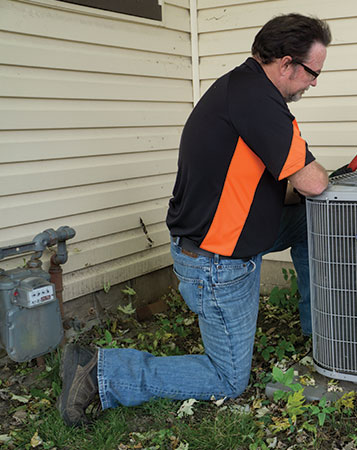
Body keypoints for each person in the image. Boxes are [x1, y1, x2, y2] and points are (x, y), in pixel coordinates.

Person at [58, 13, 331, 427]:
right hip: (216, 258)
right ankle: (103, 370)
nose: (314, 83)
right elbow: (312, 182)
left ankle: (321, 331)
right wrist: (326, 178)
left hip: (230, 233)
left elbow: (273, 183)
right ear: (287, 63)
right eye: (312, 73)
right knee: (227, 379)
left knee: (313, 225)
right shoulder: (258, 101)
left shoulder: (241, 88)